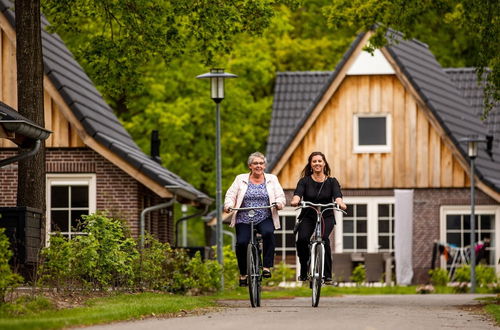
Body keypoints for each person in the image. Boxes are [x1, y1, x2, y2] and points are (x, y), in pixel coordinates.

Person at [224, 152, 286, 287]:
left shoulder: (272, 179)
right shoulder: (240, 179)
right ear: (250, 166)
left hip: (264, 216)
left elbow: (280, 196)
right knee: (241, 242)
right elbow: (231, 195)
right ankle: (243, 274)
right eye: (255, 163)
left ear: (264, 166)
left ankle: (266, 267)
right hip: (244, 217)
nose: (258, 166)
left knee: (269, 233)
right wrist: (228, 205)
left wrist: (279, 203)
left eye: (261, 163)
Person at [290, 151, 347, 283]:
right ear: (310, 165)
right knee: (302, 239)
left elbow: (337, 196)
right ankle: (304, 268)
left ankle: (327, 275)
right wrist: (295, 200)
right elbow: (298, 194)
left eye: (319, 161)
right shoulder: (305, 181)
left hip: (326, 215)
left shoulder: (332, 181)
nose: (317, 163)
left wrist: (340, 203)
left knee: (325, 239)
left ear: (324, 163)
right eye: (314, 161)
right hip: (308, 215)